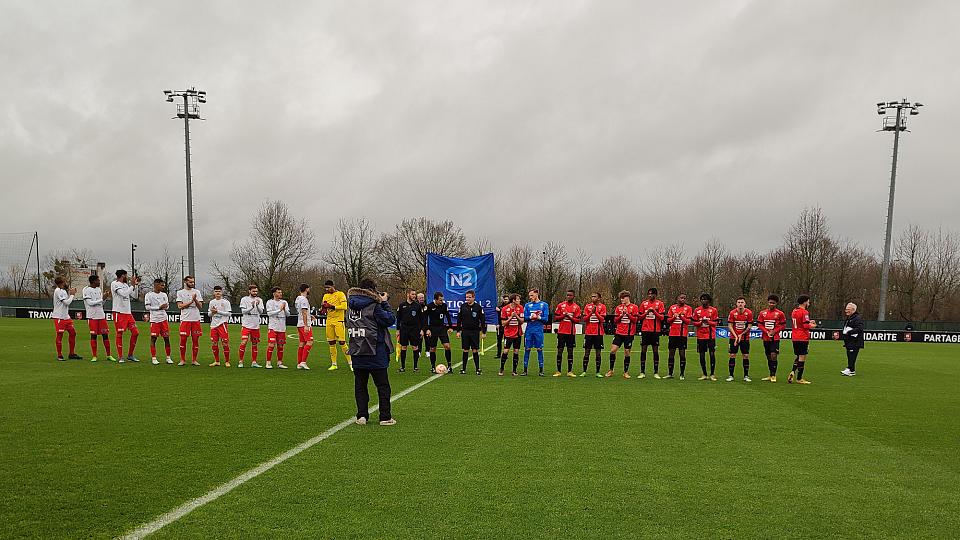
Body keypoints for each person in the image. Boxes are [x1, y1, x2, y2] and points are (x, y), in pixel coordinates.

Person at [347, 278, 396, 426]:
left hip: (357, 349)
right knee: (382, 386)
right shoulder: (375, 305)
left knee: (360, 385)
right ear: (372, 290)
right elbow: (389, 320)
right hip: (375, 350)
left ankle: (362, 416)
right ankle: (385, 416)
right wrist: (384, 302)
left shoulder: (349, 306)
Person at [607, 290, 639, 378]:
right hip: (619, 333)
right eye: (621, 298)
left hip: (629, 334)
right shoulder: (618, 308)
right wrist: (621, 315)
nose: (621, 299)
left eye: (623, 298)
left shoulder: (634, 307)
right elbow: (615, 320)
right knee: (613, 350)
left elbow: (635, 320)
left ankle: (625, 372)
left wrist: (628, 314)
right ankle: (611, 370)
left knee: (627, 352)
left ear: (628, 297)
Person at [111, 269, 140, 363]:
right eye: (126, 275)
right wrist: (132, 285)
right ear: (123, 276)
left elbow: (135, 296)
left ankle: (130, 355)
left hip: (128, 313)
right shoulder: (114, 284)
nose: (127, 277)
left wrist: (136, 285)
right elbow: (123, 294)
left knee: (135, 332)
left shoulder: (126, 285)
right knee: (119, 334)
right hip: (119, 312)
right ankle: (120, 356)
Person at [321, 280, 351, 371]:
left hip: (339, 321)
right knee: (331, 342)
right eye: (325, 287)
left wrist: (332, 306)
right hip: (329, 321)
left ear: (333, 286)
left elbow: (344, 306)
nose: (327, 289)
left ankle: (351, 363)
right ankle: (334, 364)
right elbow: (324, 306)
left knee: (342, 342)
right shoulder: (325, 295)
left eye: (328, 287)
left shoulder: (340, 294)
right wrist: (323, 309)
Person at [757, 294, 787, 382]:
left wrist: (774, 331)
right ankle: (770, 374)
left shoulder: (780, 313)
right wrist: (766, 332)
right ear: (768, 303)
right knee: (769, 356)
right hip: (766, 338)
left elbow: (783, 325)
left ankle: (774, 375)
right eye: (770, 302)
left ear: (776, 303)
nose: (771, 304)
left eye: (773, 303)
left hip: (775, 338)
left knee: (774, 355)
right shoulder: (763, 313)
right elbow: (759, 324)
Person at [83, 275, 113, 362]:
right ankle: (94, 356)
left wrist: (105, 298)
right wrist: (101, 299)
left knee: (105, 335)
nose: (99, 282)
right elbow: (89, 303)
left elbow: (101, 304)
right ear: (93, 281)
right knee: (93, 336)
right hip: (92, 316)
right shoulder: (86, 290)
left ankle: (109, 355)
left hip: (101, 316)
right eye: (98, 280)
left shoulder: (99, 289)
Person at [788, 295, 816, 384]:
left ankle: (793, 371)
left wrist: (809, 322)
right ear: (804, 302)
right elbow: (805, 326)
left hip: (795, 337)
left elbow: (800, 322)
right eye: (808, 301)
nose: (809, 303)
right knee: (802, 357)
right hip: (802, 337)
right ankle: (799, 378)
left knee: (798, 356)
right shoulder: (804, 312)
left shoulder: (794, 311)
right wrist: (813, 326)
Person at [456, 289, 486, 375]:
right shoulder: (463, 306)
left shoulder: (478, 307)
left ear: (473, 297)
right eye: (466, 297)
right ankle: (463, 369)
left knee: (474, 350)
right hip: (465, 331)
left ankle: (477, 369)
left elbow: (483, 320)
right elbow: (459, 319)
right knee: (465, 350)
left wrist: (483, 332)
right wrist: (458, 331)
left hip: (475, 332)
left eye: (469, 297)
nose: (467, 299)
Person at [144, 278, 173, 365]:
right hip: (155, 320)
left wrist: (164, 306)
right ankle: (154, 358)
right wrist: (159, 307)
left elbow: (167, 307)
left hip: (163, 319)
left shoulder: (164, 295)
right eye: (161, 285)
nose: (163, 287)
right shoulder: (149, 295)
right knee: (153, 338)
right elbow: (147, 307)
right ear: (156, 285)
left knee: (167, 338)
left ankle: (168, 357)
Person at [553, 289, 581, 377]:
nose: (568, 296)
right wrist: (563, 316)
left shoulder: (576, 307)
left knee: (570, 351)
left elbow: (577, 320)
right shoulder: (561, 305)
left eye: (570, 295)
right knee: (560, 350)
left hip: (571, 332)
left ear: (573, 296)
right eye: (567, 295)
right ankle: (558, 371)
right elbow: (556, 318)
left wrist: (569, 317)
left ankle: (570, 371)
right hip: (561, 332)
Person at [175, 275, 203, 366]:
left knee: (195, 339)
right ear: (185, 282)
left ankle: (194, 360)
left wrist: (195, 300)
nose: (192, 283)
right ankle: (182, 360)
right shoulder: (180, 292)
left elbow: (200, 307)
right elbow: (180, 306)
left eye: (193, 282)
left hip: (195, 319)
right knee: (183, 339)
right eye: (190, 282)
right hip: (185, 319)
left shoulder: (197, 292)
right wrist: (191, 302)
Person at [522, 289, 550, 376]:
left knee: (539, 349)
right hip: (529, 330)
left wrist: (538, 318)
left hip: (538, 330)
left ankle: (541, 370)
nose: (530, 297)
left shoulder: (544, 305)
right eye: (529, 296)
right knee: (527, 349)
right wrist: (530, 317)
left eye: (532, 295)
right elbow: (524, 318)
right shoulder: (527, 305)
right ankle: (525, 370)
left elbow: (546, 319)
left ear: (537, 294)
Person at [52, 276, 81, 361]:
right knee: (60, 335)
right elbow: (67, 303)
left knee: (73, 333)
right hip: (59, 317)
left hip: (66, 317)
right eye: (64, 282)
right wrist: (72, 295)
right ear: (61, 283)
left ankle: (71, 353)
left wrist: (70, 293)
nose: (66, 283)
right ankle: (59, 355)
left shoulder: (63, 291)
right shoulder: (58, 291)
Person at [638, 287, 665, 378]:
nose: (650, 295)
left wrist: (654, 312)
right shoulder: (644, 303)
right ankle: (642, 372)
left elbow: (661, 318)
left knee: (655, 351)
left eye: (652, 294)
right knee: (643, 350)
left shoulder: (660, 304)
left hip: (655, 331)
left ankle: (656, 372)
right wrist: (646, 313)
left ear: (655, 295)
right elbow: (639, 317)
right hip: (645, 330)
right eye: (649, 294)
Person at [665, 293, 693, 379]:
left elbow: (688, 322)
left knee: (682, 354)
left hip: (682, 334)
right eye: (681, 298)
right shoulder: (672, 307)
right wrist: (674, 317)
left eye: (684, 298)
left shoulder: (688, 308)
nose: (683, 299)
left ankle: (682, 374)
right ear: (677, 298)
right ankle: (670, 373)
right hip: (673, 334)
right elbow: (668, 320)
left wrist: (680, 316)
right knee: (671, 354)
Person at [396, 289, 424, 372]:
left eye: (415, 294)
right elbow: (398, 319)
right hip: (404, 329)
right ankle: (402, 367)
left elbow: (422, 319)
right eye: (412, 294)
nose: (414, 296)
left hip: (414, 329)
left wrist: (422, 329)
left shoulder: (417, 306)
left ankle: (415, 367)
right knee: (404, 347)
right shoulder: (402, 305)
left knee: (415, 347)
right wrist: (398, 330)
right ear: (408, 295)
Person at [727, 296, 753, 382]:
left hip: (745, 338)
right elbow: (730, 326)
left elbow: (749, 326)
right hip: (733, 338)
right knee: (732, 355)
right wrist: (736, 336)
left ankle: (746, 375)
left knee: (745, 355)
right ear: (736, 304)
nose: (740, 304)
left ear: (745, 304)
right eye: (739, 302)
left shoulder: (749, 313)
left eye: (742, 302)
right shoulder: (732, 313)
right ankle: (731, 375)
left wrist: (741, 334)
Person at [693, 294, 719, 380]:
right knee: (701, 355)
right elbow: (694, 323)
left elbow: (715, 323)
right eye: (702, 299)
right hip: (700, 336)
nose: (703, 301)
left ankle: (712, 374)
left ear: (709, 301)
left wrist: (708, 322)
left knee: (712, 354)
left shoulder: (713, 310)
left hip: (711, 336)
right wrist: (700, 323)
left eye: (705, 299)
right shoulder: (697, 310)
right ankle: (704, 374)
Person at [424, 292, 453, 372]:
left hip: (442, 328)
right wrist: (427, 329)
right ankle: (433, 367)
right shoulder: (429, 306)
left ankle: (449, 366)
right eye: (440, 300)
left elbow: (448, 316)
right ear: (435, 299)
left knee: (447, 346)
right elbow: (425, 319)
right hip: (432, 329)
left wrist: (450, 327)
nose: (442, 301)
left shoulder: (444, 306)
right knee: (433, 348)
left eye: (442, 300)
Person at [581, 292, 607, 378]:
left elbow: (602, 319)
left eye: (595, 296)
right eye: (592, 296)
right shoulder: (587, 306)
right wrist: (590, 313)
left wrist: (595, 312)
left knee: (598, 353)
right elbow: (584, 319)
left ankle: (598, 372)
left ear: (599, 298)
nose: (593, 298)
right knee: (586, 352)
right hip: (588, 332)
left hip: (598, 333)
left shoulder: (602, 307)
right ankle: (584, 371)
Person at [238, 284, 264, 368]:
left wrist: (257, 305)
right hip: (246, 325)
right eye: (253, 291)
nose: (255, 293)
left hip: (255, 326)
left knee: (255, 344)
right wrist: (252, 306)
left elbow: (261, 312)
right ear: (249, 291)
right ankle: (241, 361)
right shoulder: (244, 299)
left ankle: (254, 362)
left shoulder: (259, 300)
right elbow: (243, 312)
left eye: (256, 291)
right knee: (244, 342)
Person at [265, 287, 290, 369]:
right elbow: (269, 314)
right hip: (273, 327)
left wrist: (284, 309)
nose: (280, 294)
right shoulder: (270, 302)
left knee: (280, 346)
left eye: (281, 292)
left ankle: (280, 363)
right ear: (274, 293)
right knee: (271, 344)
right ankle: (268, 362)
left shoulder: (284, 302)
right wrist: (279, 310)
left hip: (282, 328)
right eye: (278, 292)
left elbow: (288, 314)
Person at [498, 293, 523, 376]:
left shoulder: (520, 308)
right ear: (513, 300)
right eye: (518, 299)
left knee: (516, 351)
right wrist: (510, 317)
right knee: (506, 351)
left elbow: (522, 321)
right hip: (508, 333)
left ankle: (514, 371)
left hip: (518, 333)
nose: (519, 301)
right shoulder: (505, 309)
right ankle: (501, 369)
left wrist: (516, 316)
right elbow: (503, 323)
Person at [208, 285, 232, 367]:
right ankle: (217, 361)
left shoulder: (225, 302)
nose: (217, 293)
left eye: (219, 291)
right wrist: (213, 312)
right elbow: (209, 314)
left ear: (221, 292)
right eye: (216, 291)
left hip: (222, 324)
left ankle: (227, 361)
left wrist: (218, 311)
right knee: (214, 343)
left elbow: (229, 313)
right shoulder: (211, 302)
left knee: (225, 343)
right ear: (214, 293)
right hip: (213, 325)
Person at [841, 302, 864, 376]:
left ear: (853, 310)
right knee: (849, 355)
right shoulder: (849, 317)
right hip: (849, 341)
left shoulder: (857, 318)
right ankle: (851, 370)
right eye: (846, 309)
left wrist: (849, 332)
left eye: (848, 309)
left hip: (855, 341)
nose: (846, 311)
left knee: (852, 356)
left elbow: (860, 328)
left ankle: (850, 369)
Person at [295, 284, 313, 370]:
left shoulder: (298, 299)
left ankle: (299, 363)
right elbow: (304, 312)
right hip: (304, 324)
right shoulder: (304, 299)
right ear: (306, 289)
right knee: (310, 342)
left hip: (299, 323)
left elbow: (304, 311)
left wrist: (310, 315)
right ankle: (303, 362)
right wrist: (306, 325)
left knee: (302, 343)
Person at [495, 294, 510, 358]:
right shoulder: (499, 306)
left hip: (507, 326)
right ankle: (498, 354)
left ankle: (505, 354)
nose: (505, 300)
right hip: (500, 326)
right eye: (504, 299)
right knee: (499, 341)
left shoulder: (510, 307)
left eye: (506, 299)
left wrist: (500, 310)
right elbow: (496, 316)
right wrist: (496, 323)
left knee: (506, 341)